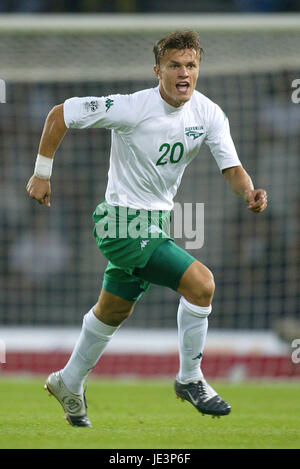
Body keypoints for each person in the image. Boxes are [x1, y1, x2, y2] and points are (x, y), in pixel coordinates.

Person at [26, 30, 267, 427]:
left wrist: (249, 192)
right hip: (120, 223)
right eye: (175, 65)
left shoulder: (208, 113)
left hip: (155, 222)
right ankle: (190, 379)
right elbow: (59, 114)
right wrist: (41, 174)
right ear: (158, 70)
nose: (184, 73)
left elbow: (232, 168)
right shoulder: (132, 107)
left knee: (114, 309)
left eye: (190, 65)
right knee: (202, 284)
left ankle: (68, 381)